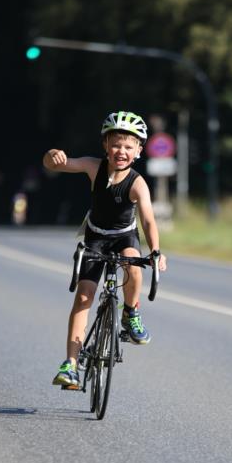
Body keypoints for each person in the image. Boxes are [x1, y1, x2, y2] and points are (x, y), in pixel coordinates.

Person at [43, 111, 168, 389]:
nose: (121, 151)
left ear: (138, 150)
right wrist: (53, 156)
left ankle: (130, 313)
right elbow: (58, 164)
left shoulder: (137, 183)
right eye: (116, 145)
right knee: (83, 297)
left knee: (133, 264)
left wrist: (156, 250)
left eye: (128, 146)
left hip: (125, 237)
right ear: (105, 146)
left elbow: (148, 219)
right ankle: (71, 365)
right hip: (95, 238)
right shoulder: (93, 167)